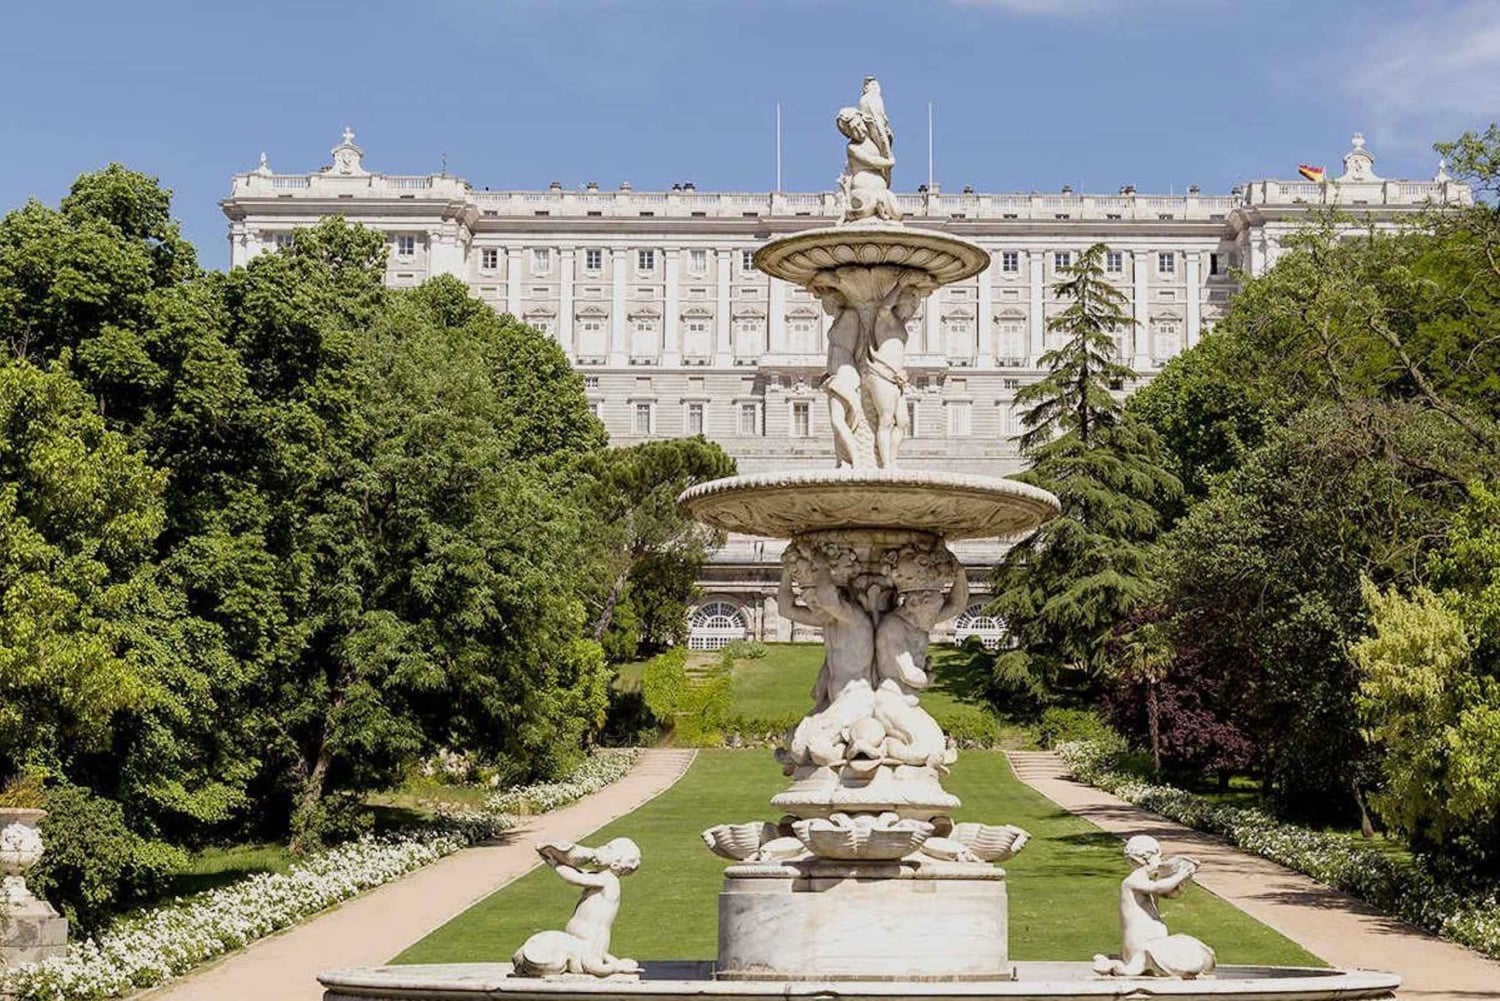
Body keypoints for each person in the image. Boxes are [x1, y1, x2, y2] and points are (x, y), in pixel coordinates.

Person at [512, 839, 643, 977]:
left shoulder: (609, 881)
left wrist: (556, 863)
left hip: (591, 939)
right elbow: (577, 871)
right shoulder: (599, 877)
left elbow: (575, 878)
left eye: (607, 848)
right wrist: (555, 857)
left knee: (594, 965)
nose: (599, 848)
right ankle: (613, 964)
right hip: (579, 940)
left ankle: (614, 967)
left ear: (615, 863)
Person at [1092, 835, 1216, 979]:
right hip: (1141, 948)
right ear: (1143, 859)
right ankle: (1128, 966)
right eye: (1158, 856)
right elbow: (1159, 888)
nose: (1160, 861)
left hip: (1154, 944)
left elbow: (1169, 893)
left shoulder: (1148, 881)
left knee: (1196, 950)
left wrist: (1181, 884)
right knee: (1191, 957)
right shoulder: (1132, 882)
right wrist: (1180, 875)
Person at [836, 107, 901, 224]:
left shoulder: (872, 138)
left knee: (897, 214)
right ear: (848, 134)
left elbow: (884, 145)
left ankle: (880, 209)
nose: (859, 131)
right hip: (862, 191)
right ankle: (876, 209)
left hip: (882, 190)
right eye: (853, 131)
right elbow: (871, 161)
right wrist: (889, 163)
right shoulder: (852, 148)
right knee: (865, 210)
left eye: (859, 125)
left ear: (862, 120)